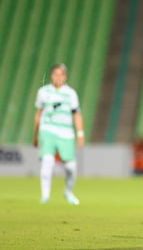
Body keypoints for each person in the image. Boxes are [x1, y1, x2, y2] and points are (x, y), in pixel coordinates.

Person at [33, 64, 84, 205]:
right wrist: (35, 134)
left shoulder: (71, 93)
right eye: (56, 74)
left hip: (66, 132)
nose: (58, 77)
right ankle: (45, 196)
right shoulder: (43, 92)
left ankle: (68, 192)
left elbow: (77, 114)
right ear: (51, 75)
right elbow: (38, 114)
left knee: (70, 167)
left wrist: (80, 133)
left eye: (61, 74)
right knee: (47, 161)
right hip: (47, 130)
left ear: (65, 77)